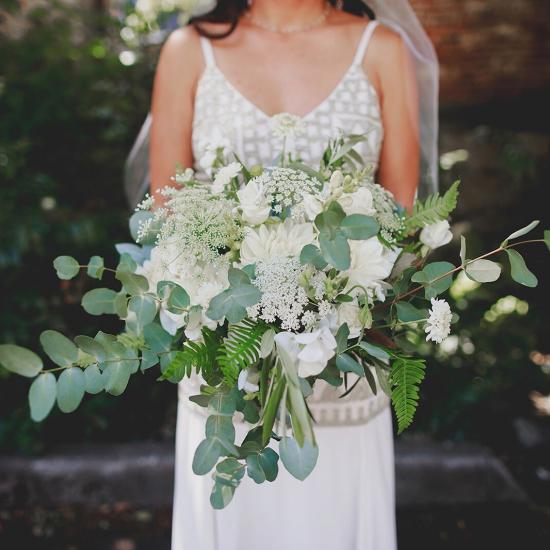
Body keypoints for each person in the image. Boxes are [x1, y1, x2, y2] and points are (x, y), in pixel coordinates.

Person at [147, 1, 438, 548]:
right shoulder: (190, 51)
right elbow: (168, 214)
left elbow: (404, 222)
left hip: (344, 363)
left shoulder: (380, 48)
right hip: (225, 359)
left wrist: (336, 303)